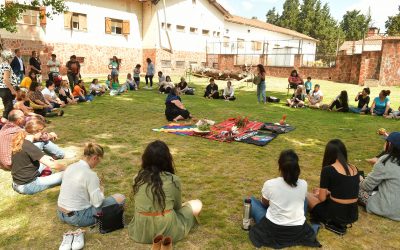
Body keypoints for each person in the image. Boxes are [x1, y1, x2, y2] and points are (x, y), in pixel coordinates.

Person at [128, 140, 202, 243]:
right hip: (167, 229)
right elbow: (177, 207)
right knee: (197, 203)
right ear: (167, 159)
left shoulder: (137, 178)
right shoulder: (173, 179)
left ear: (145, 159)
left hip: (141, 231)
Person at [248, 150, 321, 249]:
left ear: (280, 166)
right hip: (297, 229)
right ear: (297, 166)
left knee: (250, 200)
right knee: (303, 200)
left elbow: (264, 204)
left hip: (274, 229)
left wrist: (277, 204)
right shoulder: (303, 184)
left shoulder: (270, 184)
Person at [57, 143, 125, 227]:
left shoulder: (70, 167)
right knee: (120, 198)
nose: (98, 163)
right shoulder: (91, 175)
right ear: (95, 158)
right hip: (79, 218)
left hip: (61, 213)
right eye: (99, 160)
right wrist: (101, 190)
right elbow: (97, 203)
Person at [307, 139, 359, 232]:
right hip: (352, 214)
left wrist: (319, 194)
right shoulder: (354, 168)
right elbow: (346, 189)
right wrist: (327, 192)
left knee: (306, 194)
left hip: (335, 216)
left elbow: (322, 199)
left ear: (328, 154)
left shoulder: (328, 170)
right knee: (317, 193)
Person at [358, 132, 400, 221]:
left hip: (388, 208)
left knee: (352, 185)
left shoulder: (385, 160)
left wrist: (360, 180)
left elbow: (366, 186)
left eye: (386, 141)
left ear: (390, 145)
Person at [10, 129, 65, 195]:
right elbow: (52, 165)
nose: (42, 135)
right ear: (36, 132)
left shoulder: (21, 142)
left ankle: (43, 176)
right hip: (28, 186)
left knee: (44, 163)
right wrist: (69, 169)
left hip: (17, 183)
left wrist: (46, 158)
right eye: (41, 133)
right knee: (67, 174)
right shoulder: (30, 146)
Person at [0, 49, 19, 123]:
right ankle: (4, 124)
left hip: (3, 88)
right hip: (6, 89)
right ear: (8, 58)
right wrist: (12, 90)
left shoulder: (1, 65)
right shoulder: (6, 66)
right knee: (8, 107)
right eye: (11, 57)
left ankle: (7, 124)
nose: (12, 59)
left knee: (8, 107)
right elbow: (5, 80)